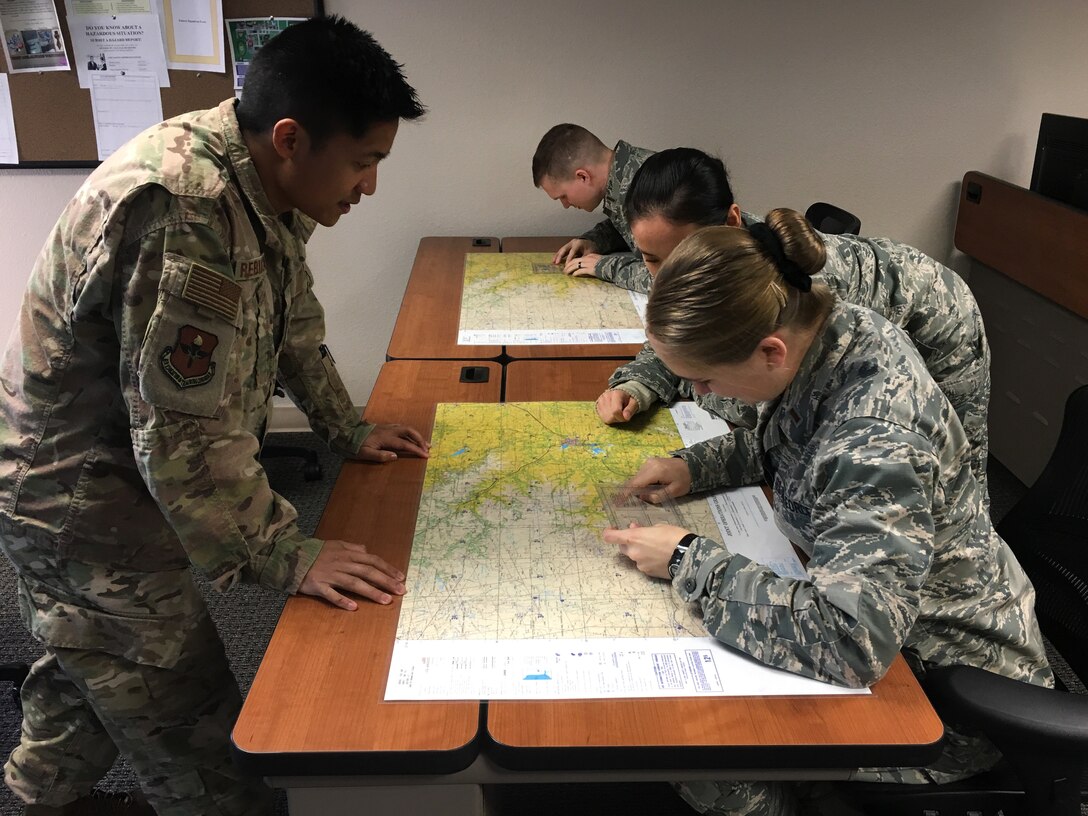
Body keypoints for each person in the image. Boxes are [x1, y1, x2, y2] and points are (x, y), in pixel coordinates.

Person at [0, 16, 428, 816]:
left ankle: (32, 800)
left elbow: (292, 316)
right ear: (294, 137)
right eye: (365, 162)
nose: (369, 186)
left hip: (101, 477)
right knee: (209, 754)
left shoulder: (260, 173)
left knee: (88, 666)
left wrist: (347, 427)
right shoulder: (188, 211)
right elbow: (181, 438)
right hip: (82, 507)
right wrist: (286, 553)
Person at [604, 212, 1052, 816]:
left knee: (681, 742)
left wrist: (688, 559)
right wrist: (696, 467)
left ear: (770, 350)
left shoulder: (873, 440)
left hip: (943, 689)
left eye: (705, 379)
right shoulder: (829, 329)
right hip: (893, 623)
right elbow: (796, 437)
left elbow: (850, 639)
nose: (702, 394)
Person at [596, 147, 992, 499]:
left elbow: (787, 429)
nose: (667, 277)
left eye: (681, 254)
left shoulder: (800, 294)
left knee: (944, 483)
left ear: (732, 221)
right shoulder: (731, 268)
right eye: (650, 258)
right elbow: (697, 341)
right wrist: (644, 381)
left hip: (939, 325)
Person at [531, 123, 654, 289]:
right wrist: (595, 241)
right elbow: (632, 227)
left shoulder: (650, 188)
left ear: (583, 177)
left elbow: (673, 278)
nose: (565, 205)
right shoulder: (627, 173)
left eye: (564, 196)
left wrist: (604, 266)